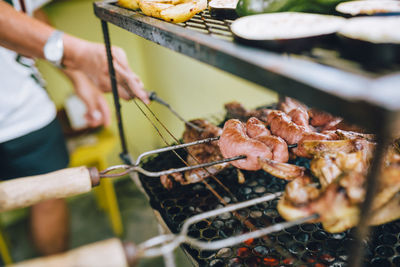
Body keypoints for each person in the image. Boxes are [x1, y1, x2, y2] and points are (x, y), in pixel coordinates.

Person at [0, 0, 150, 256]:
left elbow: (29, 14)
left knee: (48, 199)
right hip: (22, 115)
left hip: (27, 117)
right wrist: (78, 54)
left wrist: (78, 75)